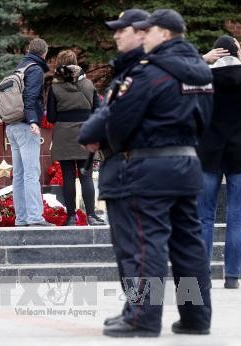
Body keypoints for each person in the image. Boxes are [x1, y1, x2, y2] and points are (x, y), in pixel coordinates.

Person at [84, 9, 214, 337]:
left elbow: (119, 122)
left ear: (165, 34)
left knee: (145, 244)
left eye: (149, 30)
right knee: (188, 245)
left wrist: (108, 139)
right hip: (186, 165)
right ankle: (195, 316)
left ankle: (142, 315)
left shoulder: (150, 72)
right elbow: (206, 121)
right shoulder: (201, 73)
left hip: (149, 167)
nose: (143, 36)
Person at [79, 7, 149, 325]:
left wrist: (95, 134)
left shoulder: (142, 72)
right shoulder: (126, 72)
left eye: (124, 29)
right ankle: (133, 310)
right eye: (116, 29)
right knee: (126, 248)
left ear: (143, 32)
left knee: (136, 249)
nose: (117, 34)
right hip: (120, 166)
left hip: (132, 167)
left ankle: (140, 313)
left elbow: (114, 117)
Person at [197, 35, 241, 289]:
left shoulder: (205, 77)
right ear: (236, 51)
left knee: (205, 216)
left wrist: (201, 60)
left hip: (209, 152)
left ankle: (202, 273)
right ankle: (232, 276)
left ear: (215, 52)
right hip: (239, 153)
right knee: (236, 216)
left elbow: (180, 78)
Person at [46, 49, 104, 226]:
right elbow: (97, 111)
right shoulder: (88, 85)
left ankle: (71, 216)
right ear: (76, 63)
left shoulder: (55, 88)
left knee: (68, 176)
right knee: (86, 175)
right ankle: (92, 216)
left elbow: (51, 118)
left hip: (64, 134)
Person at [5, 38, 53, 227]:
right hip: (26, 126)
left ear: (28, 50)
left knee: (18, 174)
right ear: (44, 53)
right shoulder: (35, 69)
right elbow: (31, 96)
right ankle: (34, 217)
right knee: (31, 173)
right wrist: (34, 120)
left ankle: (22, 218)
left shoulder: (20, 67)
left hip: (12, 125)